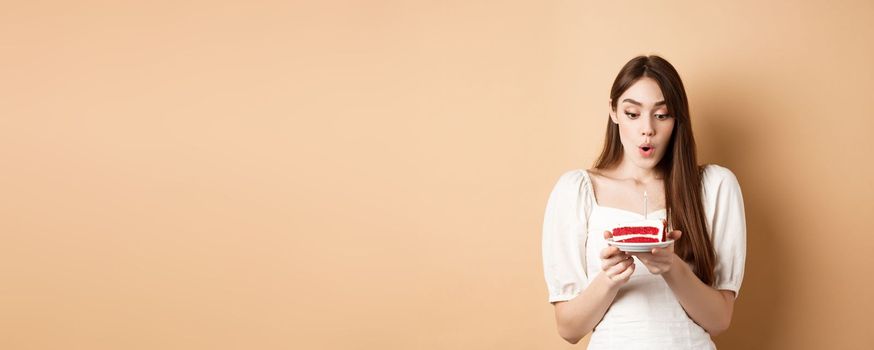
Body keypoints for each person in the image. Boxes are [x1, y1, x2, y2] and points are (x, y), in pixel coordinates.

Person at [541, 55, 747, 349]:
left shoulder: (714, 187)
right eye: (632, 114)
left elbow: (719, 320)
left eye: (661, 115)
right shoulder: (575, 191)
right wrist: (609, 279)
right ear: (614, 112)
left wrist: (670, 266)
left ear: (677, 120)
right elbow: (569, 328)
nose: (647, 129)